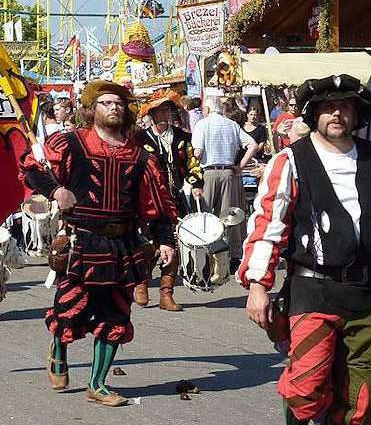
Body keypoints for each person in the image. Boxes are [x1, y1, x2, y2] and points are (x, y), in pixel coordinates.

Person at [238, 75, 371, 425]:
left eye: (345, 106)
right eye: (328, 108)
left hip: (366, 294)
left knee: (360, 401)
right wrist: (258, 286)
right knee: (305, 388)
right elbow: (267, 226)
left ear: (357, 113)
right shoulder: (289, 161)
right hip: (312, 291)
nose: (337, 114)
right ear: (314, 114)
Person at [20, 80, 177, 406]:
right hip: (81, 241)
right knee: (69, 308)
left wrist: (164, 241)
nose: (114, 108)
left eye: (118, 103)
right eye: (106, 103)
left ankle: (98, 384)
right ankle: (58, 350)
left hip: (123, 244)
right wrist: (55, 190)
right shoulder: (70, 144)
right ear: (91, 110)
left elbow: (158, 205)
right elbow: (31, 166)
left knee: (116, 314)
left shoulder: (140, 157)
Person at [134, 88, 204, 311]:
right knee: (152, 244)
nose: (164, 116)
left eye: (167, 111)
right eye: (159, 112)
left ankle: (166, 294)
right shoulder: (140, 138)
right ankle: (142, 283)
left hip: (175, 198)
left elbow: (192, 163)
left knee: (175, 243)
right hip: (149, 199)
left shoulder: (183, 137)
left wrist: (196, 184)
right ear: (151, 115)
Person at [192, 96, 258, 271]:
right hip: (229, 171)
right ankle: (234, 255)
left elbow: (197, 153)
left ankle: (208, 253)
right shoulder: (232, 125)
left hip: (209, 172)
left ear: (206, 109)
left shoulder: (202, 124)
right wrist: (240, 166)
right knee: (229, 214)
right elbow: (253, 145)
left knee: (206, 214)